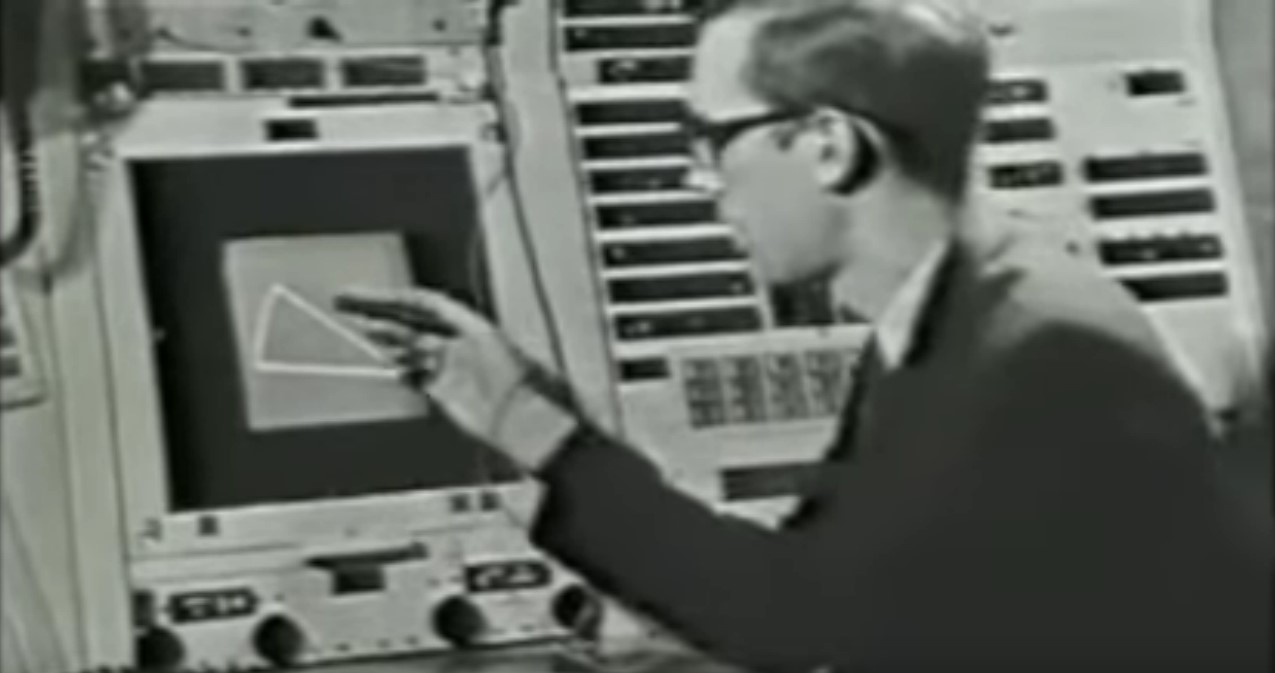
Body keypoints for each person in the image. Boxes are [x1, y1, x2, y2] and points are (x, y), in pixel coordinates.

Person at [338, 0, 1271, 670]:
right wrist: (512, 411)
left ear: (829, 146)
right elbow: (814, 591)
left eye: (712, 140)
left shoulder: (1040, 355)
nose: (699, 179)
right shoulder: (959, 313)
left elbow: (793, 616)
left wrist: (528, 426)